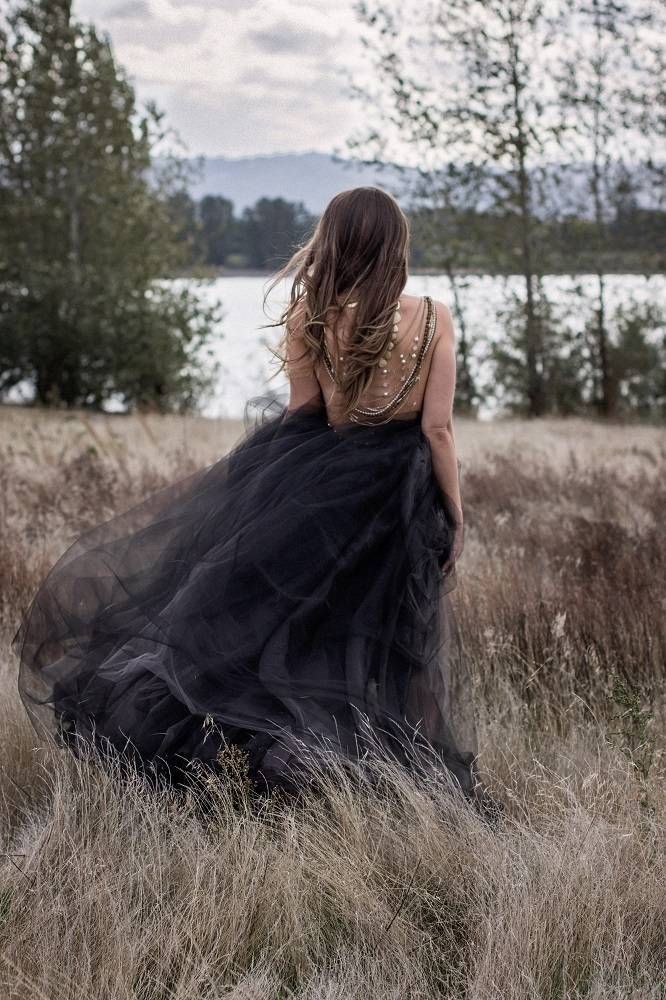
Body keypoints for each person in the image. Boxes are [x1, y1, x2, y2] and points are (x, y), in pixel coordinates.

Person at [13, 186, 485, 813]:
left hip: (322, 492)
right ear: (396, 246)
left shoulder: (308, 315)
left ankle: (298, 773)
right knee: (390, 636)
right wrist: (454, 510)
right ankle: (401, 781)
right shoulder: (433, 316)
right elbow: (438, 430)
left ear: (333, 241)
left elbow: (304, 414)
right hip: (400, 498)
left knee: (300, 630)